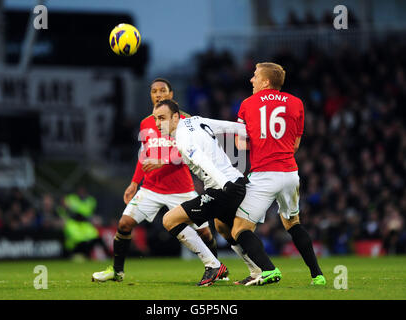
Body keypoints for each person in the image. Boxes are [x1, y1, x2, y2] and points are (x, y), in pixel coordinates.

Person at [92, 79, 219, 282]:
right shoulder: (145, 122)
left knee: (204, 232)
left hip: (181, 189)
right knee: (124, 224)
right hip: (150, 188)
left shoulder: (185, 121)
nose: (158, 94)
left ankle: (218, 270)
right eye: (154, 91)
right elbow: (144, 155)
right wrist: (134, 182)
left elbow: (189, 152)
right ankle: (117, 272)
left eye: (162, 90)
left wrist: (163, 161)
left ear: (171, 94)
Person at [231, 62, 326, 286]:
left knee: (239, 229)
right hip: (290, 174)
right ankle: (318, 275)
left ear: (265, 82)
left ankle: (267, 270)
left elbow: (240, 144)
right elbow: (295, 145)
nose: (251, 80)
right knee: (293, 223)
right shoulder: (296, 103)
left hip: (264, 175)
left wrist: (259, 142)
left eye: (255, 76)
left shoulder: (247, 103)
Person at [153, 99, 261, 287]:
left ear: (176, 117)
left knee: (169, 220)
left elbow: (203, 162)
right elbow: (225, 126)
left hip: (223, 187)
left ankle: (213, 265)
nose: (157, 123)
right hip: (235, 180)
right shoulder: (194, 120)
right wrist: (248, 131)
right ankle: (256, 271)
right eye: (155, 119)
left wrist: (223, 184)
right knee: (223, 227)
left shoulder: (182, 138)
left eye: (162, 118)